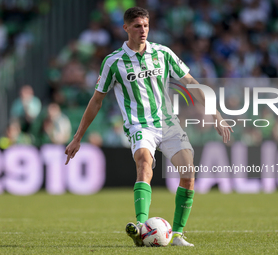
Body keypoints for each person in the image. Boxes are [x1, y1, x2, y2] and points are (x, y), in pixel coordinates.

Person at [65, 7, 233, 247]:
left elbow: (192, 83)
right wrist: (78, 137)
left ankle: (176, 235)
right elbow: (96, 101)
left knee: (188, 175)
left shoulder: (163, 53)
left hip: (168, 124)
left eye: (145, 25)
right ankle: (142, 228)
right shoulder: (113, 62)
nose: (142, 30)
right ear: (126, 28)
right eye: (137, 26)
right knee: (144, 163)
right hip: (139, 125)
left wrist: (216, 114)